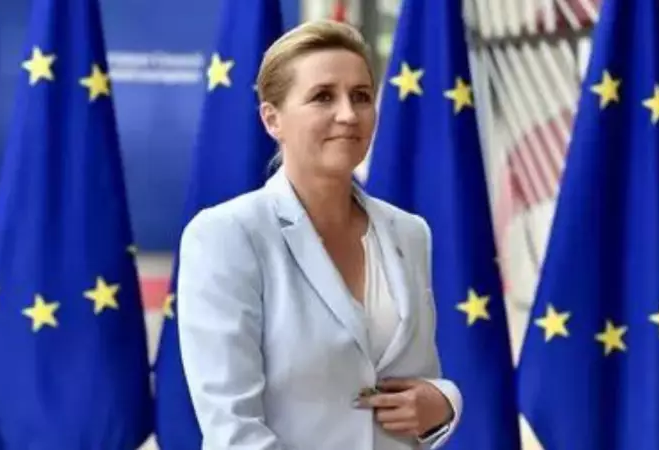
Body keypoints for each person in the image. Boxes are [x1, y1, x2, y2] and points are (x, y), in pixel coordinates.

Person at [177, 19, 462, 450]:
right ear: (272, 119)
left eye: (361, 96)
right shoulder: (226, 235)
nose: (348, 114)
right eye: (323, 96)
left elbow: (414, 380)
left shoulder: (410, 233)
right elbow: (232, 430)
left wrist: (445, 403)